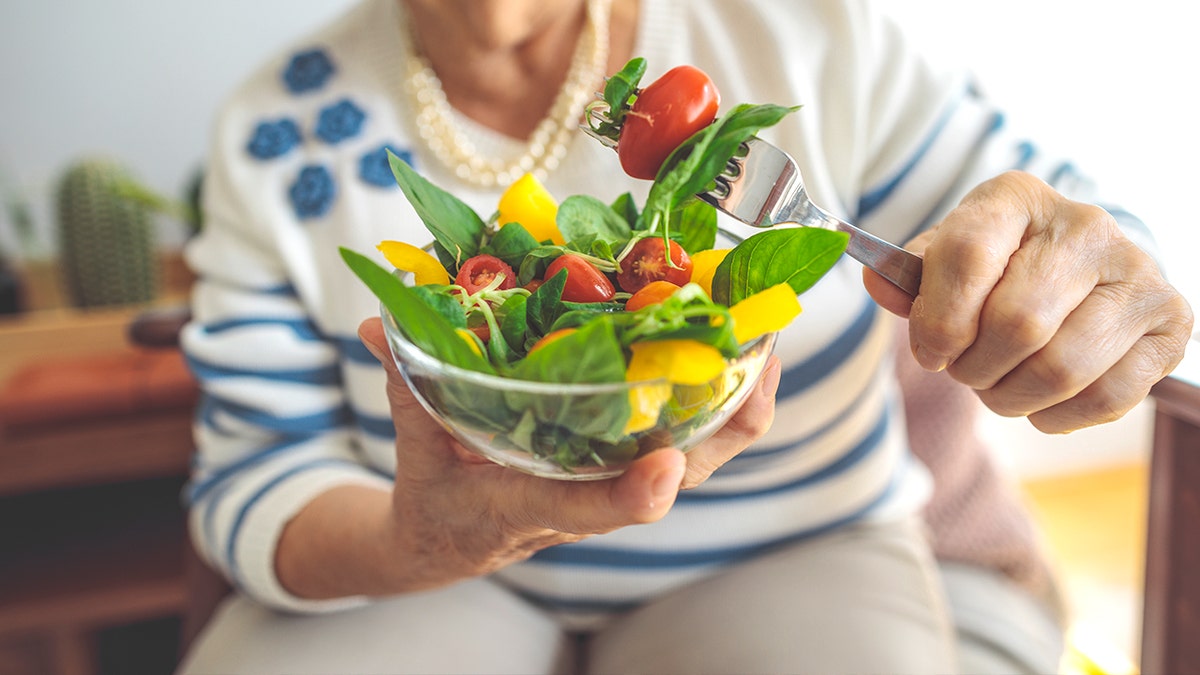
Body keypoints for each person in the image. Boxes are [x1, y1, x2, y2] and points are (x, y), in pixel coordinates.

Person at [174, 0, 1193, 673]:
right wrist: (424, 538)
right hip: (420, 574)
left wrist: (1096, 276)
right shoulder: (276, 132)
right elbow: (257, 478)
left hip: (796, 552)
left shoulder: (809, 30)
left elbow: (1061, 218)